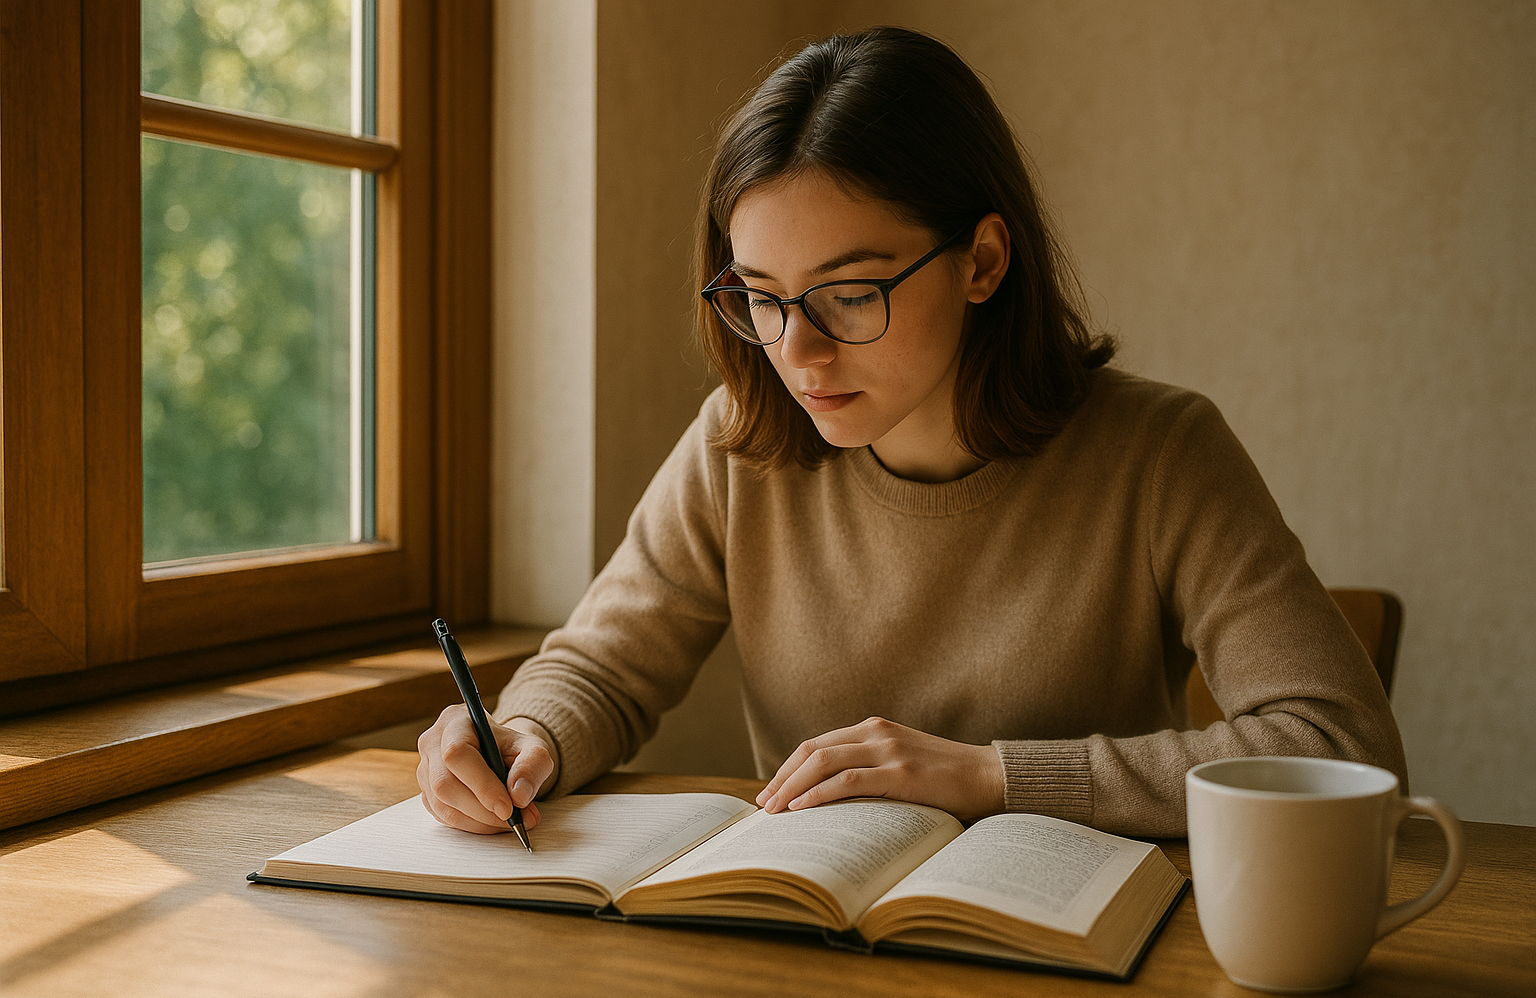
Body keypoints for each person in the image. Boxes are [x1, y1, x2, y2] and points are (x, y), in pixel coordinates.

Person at [417, 26, 1406, 838]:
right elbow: (599, 668)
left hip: (1096, 954)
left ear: (980, 260)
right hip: (821, 951)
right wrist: (520, 732)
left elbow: (1341, 744)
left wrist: (989, 775)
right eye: (760, 297)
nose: (796, 353)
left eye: (849, 294)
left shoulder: (1161, 452)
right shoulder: (740, 443)